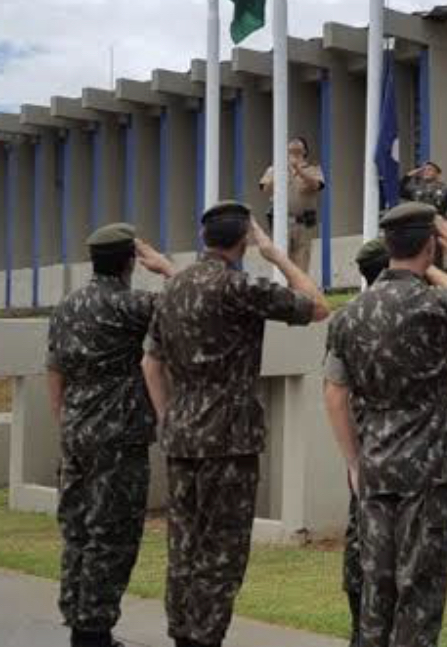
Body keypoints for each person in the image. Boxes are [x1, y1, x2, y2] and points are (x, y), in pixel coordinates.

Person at [323, 203, 447, 646]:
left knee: (378, 591)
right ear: (431, 245)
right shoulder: (440, 304)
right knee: (422, 594)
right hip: (429, 470)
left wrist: (354, 462)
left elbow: (334, 393)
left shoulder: (349, 316)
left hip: (375, 467)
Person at [142, 202, 330, 647]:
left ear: (205, 237)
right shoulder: (239, 286)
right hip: (228, 438)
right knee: (221, 551)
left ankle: (183, 636)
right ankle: (204, 639)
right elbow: (318, 306)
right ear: (244, 239)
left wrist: (168, 414)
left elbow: (150, 361)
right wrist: (278, 256)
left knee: (183, 545)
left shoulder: (173, 287)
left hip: (182, 434)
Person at [47, 223, 176, 647]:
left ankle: (79, 618)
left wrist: (63, 423)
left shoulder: (67, 306)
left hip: (75, 429)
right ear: (128, 263)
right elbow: (193, 298)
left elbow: (54, 370)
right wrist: (164, 267)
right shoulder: (130, 304)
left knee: (79, 529)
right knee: (113, 533)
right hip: (117, 435)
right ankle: (94, 631)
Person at [339, 238, 391, 647]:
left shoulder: (349, 317)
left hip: (362, 443)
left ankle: (361, 630)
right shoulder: (410, 308)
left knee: (360, 534)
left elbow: (333, 389)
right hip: (407, 448)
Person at [259, 135, 327, 273]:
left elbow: (316, 185)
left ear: (305, 151)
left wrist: (299, 170)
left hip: (304, 223)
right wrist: (281, 170)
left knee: (301, 265)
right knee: (282, 263)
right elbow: (265, 188)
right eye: (291, 145)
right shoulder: (275, 169)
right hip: (282, 223)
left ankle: (299, 293)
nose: (294, 145)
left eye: (298, 144)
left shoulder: (313, 168)